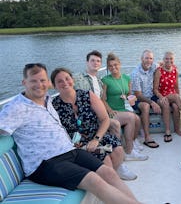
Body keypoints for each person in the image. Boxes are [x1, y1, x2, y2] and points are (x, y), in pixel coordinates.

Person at [0, 63, 141, 204]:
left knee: (108, 173)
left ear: (48, 83)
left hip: (69, 151)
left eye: (42, 80)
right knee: (94, 180)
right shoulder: (16, 107)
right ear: (24, 82)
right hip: (45, 163)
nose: (39, 85)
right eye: (33, 81)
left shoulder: (47, 100)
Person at [51, 67, 137, 181]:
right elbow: (56, 129)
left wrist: (96, 139)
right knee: (104, 157)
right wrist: (72, 143)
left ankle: (113, 174)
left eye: (67, 78)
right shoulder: (54, 105)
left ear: (73, 80)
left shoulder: (87, 95)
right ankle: (110, 181)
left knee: (118, 150)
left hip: (96, 134)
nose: (65, 83)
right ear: (54, 86)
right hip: (76, 143)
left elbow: (105, 119)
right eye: (59, 81)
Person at [101, 53, 148, 161]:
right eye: (110, 66)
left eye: (115, 65)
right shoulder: (106, 80)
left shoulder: (126, 78)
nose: (113, 68)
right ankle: (129, 151)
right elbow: (102, 99)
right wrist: (109, 110)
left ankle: (132, 142)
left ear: (120, 64)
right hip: (112, 110)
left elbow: (130, 95)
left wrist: (129, 98)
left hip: (123, 108)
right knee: (131, 118)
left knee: (137, 118)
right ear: (108, 67)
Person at [73, 50, 122, 140]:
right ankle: (115, 147)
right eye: (92, 60)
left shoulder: (99, 81)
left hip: (99, 114)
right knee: (115, 124)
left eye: (98, 61)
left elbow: (101, 99)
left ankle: (119, 147)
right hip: (85, 117)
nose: (95, 63)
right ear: (87, 62)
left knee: (131, 118)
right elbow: (61, 83)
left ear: (100, 64)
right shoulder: (77, 77)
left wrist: (109, 110)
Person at [153, 51, 181, 142]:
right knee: (170, 100)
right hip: (160, 97)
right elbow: (155, 89)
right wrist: (161, 97)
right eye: (166, 58)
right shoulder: (159, 71)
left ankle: (176, 129)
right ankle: (169, 130)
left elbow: (176, 86)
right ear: (163, 60)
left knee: (176, 106)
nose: (169, 60)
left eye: (171, 58)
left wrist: (178, 100)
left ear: (173, 60)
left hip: (173, 96)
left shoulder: (175, 70)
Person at [130, 49, 161, 148]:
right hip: (137, 99)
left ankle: (168, 131)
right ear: (141, 59)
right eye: (146, 58)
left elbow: (162, 63)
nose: (148, 60)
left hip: (151, 95)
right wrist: (152, 102)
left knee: (165, 101)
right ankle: (147, 137)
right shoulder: (136, 73)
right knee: (146, 106)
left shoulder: (153, 66)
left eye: (151, 58)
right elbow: (138, 95)